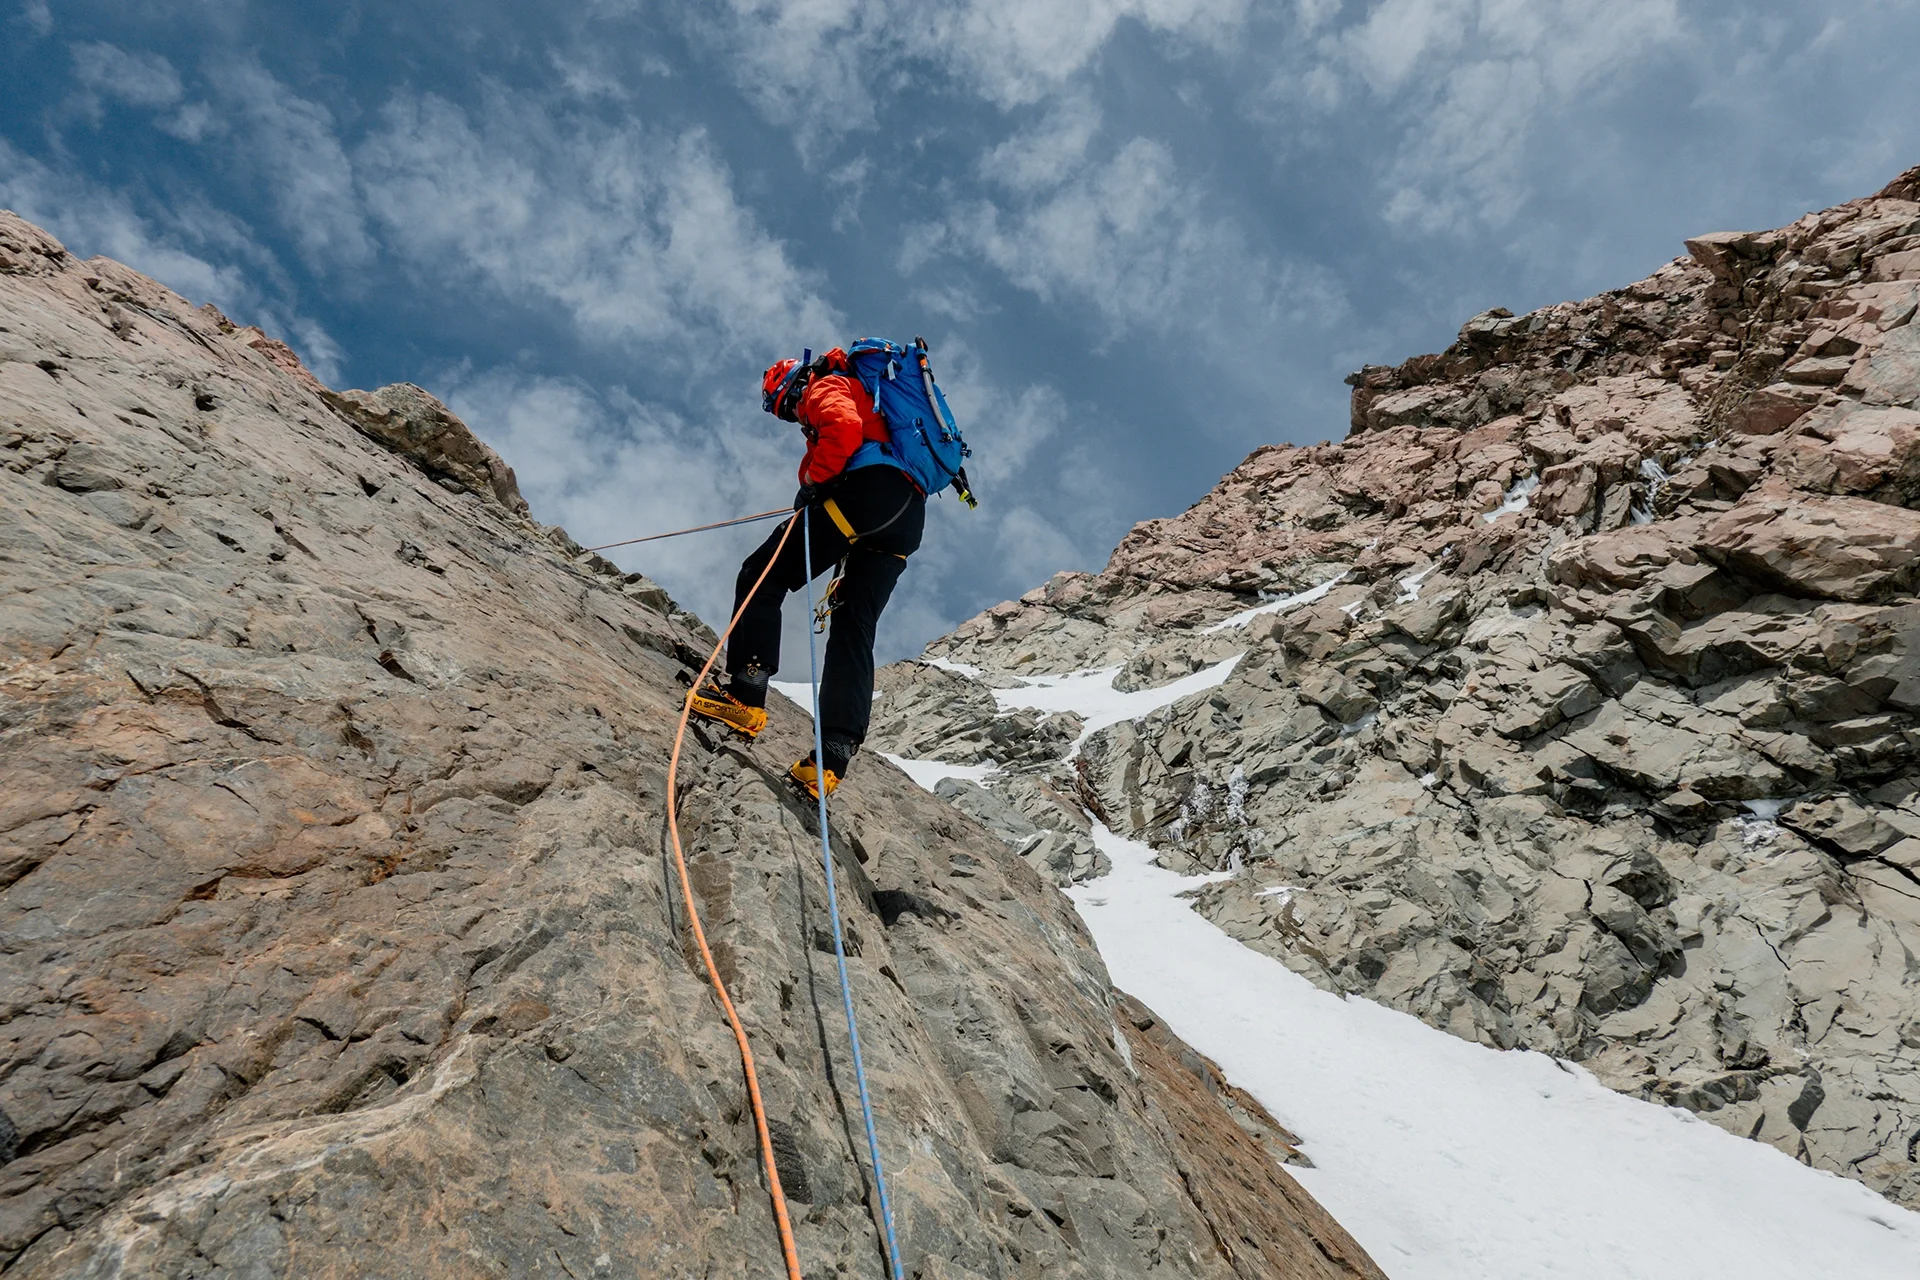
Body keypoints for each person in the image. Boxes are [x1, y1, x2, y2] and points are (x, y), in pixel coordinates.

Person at [689, 347, 926, 799]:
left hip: (868, 496)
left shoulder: (826, 385)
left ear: (791, 387)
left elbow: (842, 427)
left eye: (787, 409)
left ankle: (745, 696)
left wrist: (813, 484)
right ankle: (830, 760)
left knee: (763, 572)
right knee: (854, 630)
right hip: (905, 519)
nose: (796, 420)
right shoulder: (872, 402)